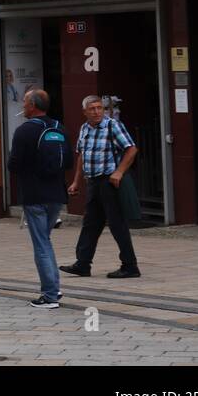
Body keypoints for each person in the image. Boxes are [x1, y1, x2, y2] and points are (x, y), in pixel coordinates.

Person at [62, 96, 141, 280]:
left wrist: (119, 172)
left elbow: (131, 149)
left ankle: (130, 266)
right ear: (85, 112)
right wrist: (76, 181)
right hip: (93, 182)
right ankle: (82, 264)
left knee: (117, 224)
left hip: (109, 182)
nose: (97, 112)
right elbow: (82, 155)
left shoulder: (112, 126)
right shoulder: (84, 128)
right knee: (90, 224)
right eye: (93, 109)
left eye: (100, 108)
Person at [7, 89, 70, 309]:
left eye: (25, 102)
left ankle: (50, 295)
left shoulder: (24, 131)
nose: (23, 106)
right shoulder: (59, 127)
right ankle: (54, 286)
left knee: (41, 244)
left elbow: (13, 165)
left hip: (34, 195)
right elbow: (68, 161)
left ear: (33, 106)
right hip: (56, 196)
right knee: (46, 241)